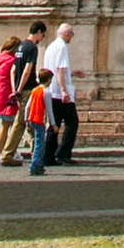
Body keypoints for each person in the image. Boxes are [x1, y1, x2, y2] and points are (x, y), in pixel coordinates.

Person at [41, 19, 79, 167]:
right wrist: (64, 90)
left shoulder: (51, 46)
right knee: (72, 123)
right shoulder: (62, 47)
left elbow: (56, 69)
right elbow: (60, 70)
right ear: (67, 34)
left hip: (52, 90)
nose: (72, 37)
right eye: (72, 34)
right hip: (60, 92)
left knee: (54, 124)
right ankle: (63, 153)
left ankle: (48, 156)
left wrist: (73, 73)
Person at [9, 22, 46, 165]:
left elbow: (13, 70)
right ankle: (8, 153)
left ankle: (35, 152)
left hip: (19, 89)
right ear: (38, 32)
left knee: (27, 121)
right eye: (43, 34)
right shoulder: (32, 47)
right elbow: (27, 70)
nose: (42, 38)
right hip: (27, 89)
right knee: (26, 121)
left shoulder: (20, 46)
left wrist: (15, 89)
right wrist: (19, 90)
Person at [0, 37, 22, 166]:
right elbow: (13, 79)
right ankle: (3, 152)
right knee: (8, 125)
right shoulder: (11, 61)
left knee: (6, 125)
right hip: (8, 96)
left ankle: (5, 150)